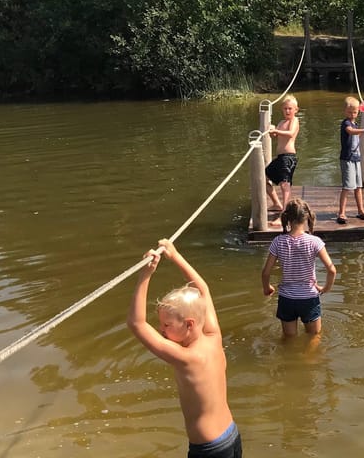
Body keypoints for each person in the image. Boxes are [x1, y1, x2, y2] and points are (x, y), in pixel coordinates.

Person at [128, 239, 242, 458]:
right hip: (232, 435)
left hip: (210, 448)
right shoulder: (213, 336)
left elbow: (136, 324)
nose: (161, 331)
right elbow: (203, 290)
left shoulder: (187, 358)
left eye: (167, 325)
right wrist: (175, 255)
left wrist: (146, 274)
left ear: (189, 323)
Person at [261, 198, 337, 346]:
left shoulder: (278, 241)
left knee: (289, 339)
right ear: (307, 217)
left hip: (286, 299)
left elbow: (265, 273)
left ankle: (288, 363)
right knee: (314, 337)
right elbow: (332, 270)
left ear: (287, 218)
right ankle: (309, 361)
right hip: (308, 297)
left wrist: (267, 288)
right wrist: (325, 288)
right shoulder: (314, 241)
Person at [337, 96, 364, 225]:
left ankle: (360, 210)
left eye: (355, 112)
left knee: (358, 186)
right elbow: (352, 132)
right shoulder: (346, 123)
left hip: (356, 158)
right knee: (347, 187)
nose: (352, 114)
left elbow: (357, 132)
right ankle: (341, 212)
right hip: (347, 158)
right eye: (350, 112)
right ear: (345, 111)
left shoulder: (355, 123)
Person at [265, 94, 300, 226]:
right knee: (263, 177)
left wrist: (277, 132)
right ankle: (277, 204)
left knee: (285, 186)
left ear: (296, 109)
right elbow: (274, 135)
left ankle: (284, 216)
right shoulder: (281, 122)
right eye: (285, 109)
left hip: (288, 158)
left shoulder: (294, 121)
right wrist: (271, 129)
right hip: (279, 158)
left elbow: (290, 133)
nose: (287, 111)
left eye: (290, 109)